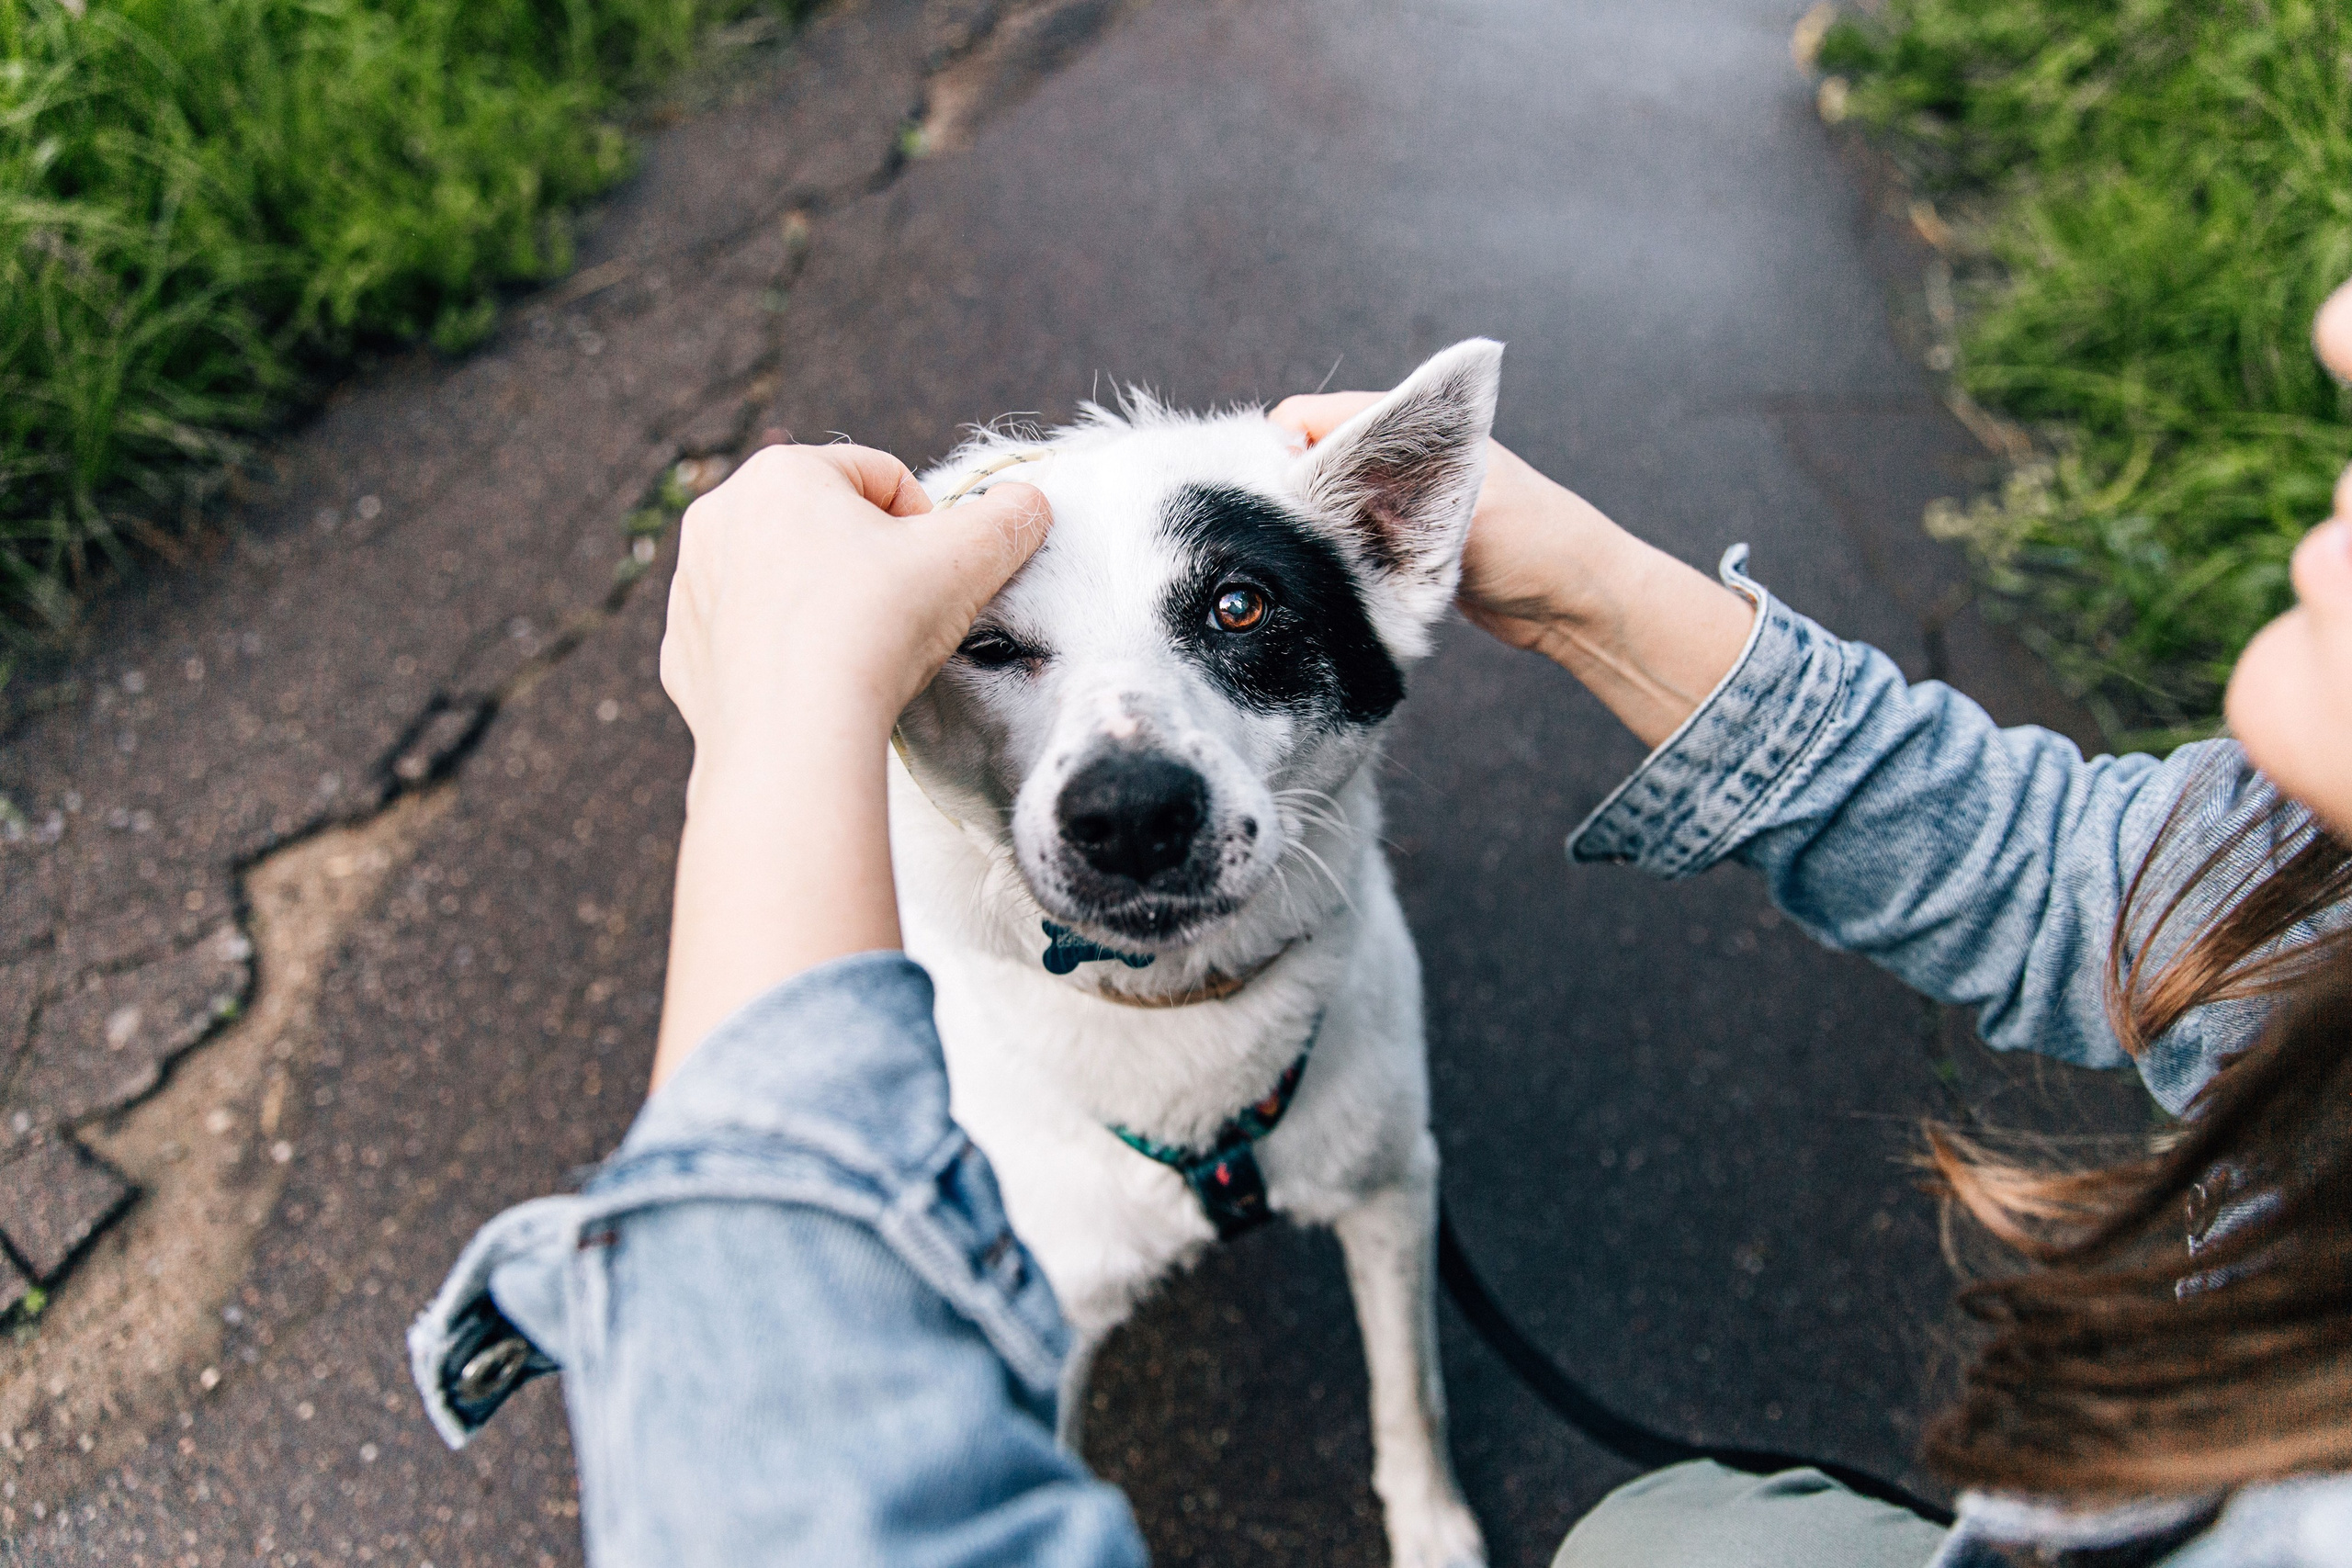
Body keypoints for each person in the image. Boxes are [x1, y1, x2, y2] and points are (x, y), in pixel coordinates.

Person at [409, 282, 2352, 1567]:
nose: (1122, 764)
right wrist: (1587, 582)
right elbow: (2096, 876)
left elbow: (782, 1489)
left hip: (1314, 1037)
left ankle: (1418, 1472)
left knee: (1402, 1214)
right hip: (1035, 1058)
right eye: (999, 653)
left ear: (1385, 578)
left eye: (1235, 618)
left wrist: (772, 735)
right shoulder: (2302, 910)